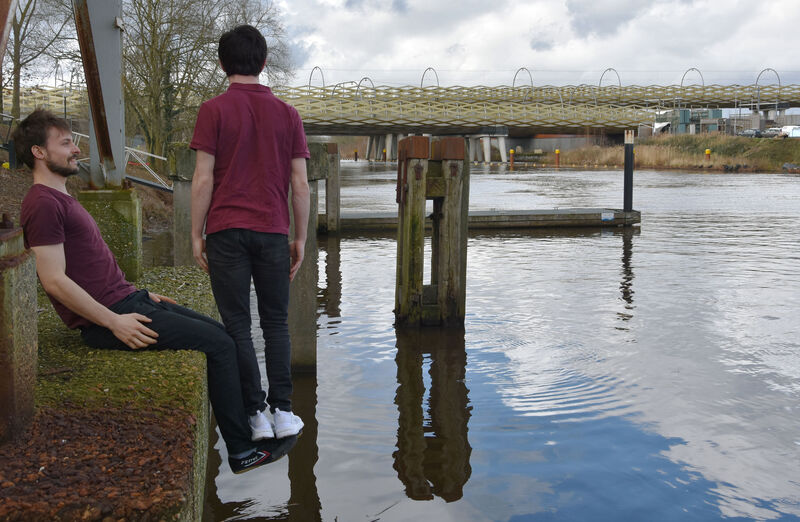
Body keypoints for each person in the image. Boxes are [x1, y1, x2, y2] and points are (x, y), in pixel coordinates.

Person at [13, 109, 294, 475]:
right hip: (111, 316)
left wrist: (142, 294)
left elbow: (90, 266)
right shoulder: (42, 204)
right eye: (65, 143)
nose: (76, 150)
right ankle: (241, 450)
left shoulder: (60, 197)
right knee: (221, 346)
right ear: (38, 152)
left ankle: (253, 425)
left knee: (221, 333)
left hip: (129, 299)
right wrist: (114, 322)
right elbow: (52, 280)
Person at [190, 25, 310, 441]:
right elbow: (300, 184)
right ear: (263, 63)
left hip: (224, 231)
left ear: (222, 64)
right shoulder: (288, 114)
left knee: (237, 325)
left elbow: (203, 180)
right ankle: (283, 412)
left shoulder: (212, 110)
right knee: (276, 323)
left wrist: (196, 234)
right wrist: (300, 237)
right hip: (273, 231)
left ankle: (255, 416)